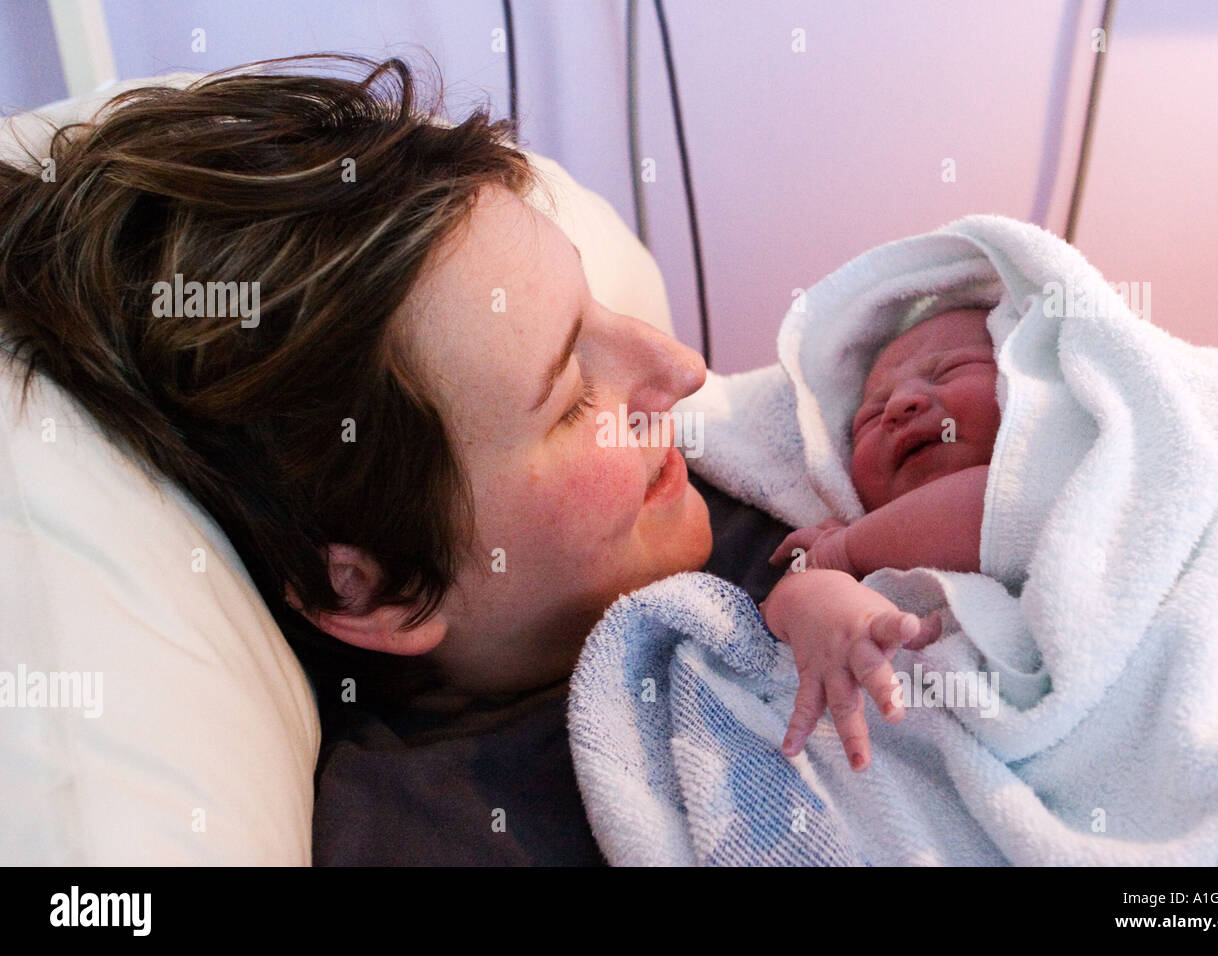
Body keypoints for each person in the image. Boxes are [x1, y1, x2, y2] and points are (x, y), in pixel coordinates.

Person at [0, 54, 721, 864]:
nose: (683, 368)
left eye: (596, 309)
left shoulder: (790, 474)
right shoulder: (454, 831)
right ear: (374, 591)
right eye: (574, 396)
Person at [762, 307, 1000, 772]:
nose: (899, 406)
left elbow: (992, 508)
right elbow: (781, 601)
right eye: (868, 417)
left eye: (948, 371)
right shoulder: (846, 537)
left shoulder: (1054, 478)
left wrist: (843, 552)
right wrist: (816, 593)